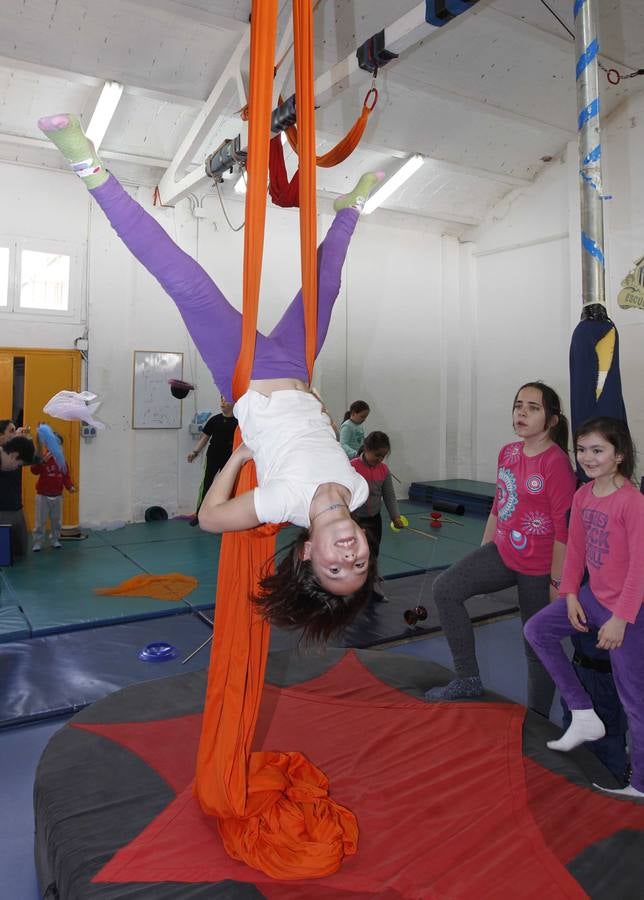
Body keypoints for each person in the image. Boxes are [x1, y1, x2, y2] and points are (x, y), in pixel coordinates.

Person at [39, 113, 383, 641]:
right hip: (297, 369)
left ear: (308, 552)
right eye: (357, 567)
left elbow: (208, 519)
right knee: (327, 284)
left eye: (333, 570)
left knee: (186, 281)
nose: (348, 559)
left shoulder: (282, 503)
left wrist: (241, 457)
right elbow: (323, 440)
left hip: (247, 377)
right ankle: (349, 211)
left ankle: (88, 165)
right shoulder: (359, 491)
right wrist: (318, 407)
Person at [426, 382, 577, 717]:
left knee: (535, 642)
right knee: (446, 589)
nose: (521, 412)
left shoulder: (556, 464)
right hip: (503, 551)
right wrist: (481, 553)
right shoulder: (508, 452)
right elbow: (500, 503)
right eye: (518, 405)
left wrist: (557, 585)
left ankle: (537, 717)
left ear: (552, 420)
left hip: (538, 567)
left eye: (533, 408)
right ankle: (467, 677)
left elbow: (564, 532)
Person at [524, 417, 644, 798]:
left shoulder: (632, 502)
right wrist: (570, 595)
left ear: (619, 455)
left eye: (598, 450)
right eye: (582, 450)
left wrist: (621, 620)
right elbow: (575, 550)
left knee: (633, 700)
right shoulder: (583, 494)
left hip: (627, 609)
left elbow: (640, 568)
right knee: (537, 630)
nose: (588, 458)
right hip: (592, 598)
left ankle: (640, 783)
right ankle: (583, 712)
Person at [350, 431, 405, 557]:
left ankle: (372, 576)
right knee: (355, 554)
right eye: (377, 455)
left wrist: (395, 516)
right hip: (354, 519)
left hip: (374, 520)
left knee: (373, 553)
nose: (380, 459)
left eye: (383, 456)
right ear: (366, 448)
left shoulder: (384, 470)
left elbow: (389, 496)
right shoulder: (352, 467)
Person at [187, 395, 237, 526]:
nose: (222, 403)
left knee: (228, 486)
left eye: (226, 400)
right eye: (221, 400)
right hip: (213, 456)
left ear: (234, 403)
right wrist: (195, 451)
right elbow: (205, 438)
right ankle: (199, 514)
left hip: (229, 459)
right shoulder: (214, 420)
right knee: (207, 484)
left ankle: (228, 516)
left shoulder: (239, 422)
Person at [30, 430, 75, 551]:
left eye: (58, 444)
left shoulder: (62, 461)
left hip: (57, 495)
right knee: (40, 521)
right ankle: (38, 542)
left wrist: (70, 486)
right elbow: (34, 471)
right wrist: (42, 461)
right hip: (43, 495)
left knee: (57, 521)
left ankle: (55, 539)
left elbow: (66, 476)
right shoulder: (41, 458)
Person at [0, 421, 36, 558]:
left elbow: (33, 459)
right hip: (2, 512)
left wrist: (29, 439)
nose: (15, 433)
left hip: (17, 509)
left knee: (20, 552)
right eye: (11, 431)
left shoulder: (16, 453)